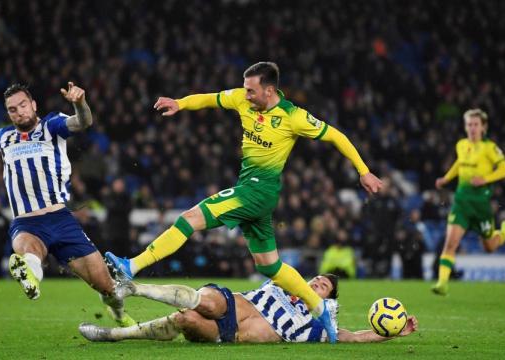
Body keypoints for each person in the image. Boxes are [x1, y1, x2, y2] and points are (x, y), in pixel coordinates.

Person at [106, 62, 383, 317]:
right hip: (254, 192)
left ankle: (131, 266)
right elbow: (210, 98)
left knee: (189, 218)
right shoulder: (241, 98)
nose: (246, 94)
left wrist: (363, 171)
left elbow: (337, 136)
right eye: (245, 88)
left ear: (270, 90)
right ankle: (320, 309)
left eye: (252, 90)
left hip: (259, 191)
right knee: (269, 267)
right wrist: (180, 103)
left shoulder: (293, 117)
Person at [0, 82, 133, 325]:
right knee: (29, 253)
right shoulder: (5, 137)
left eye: (23, 105)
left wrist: (80, 103)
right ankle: (30, 277)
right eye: (12, 109)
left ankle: (119, 314)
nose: (19, 112)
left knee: (106, 287)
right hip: (27, 223)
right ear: (8, 114)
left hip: (61, 219)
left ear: (33, 105)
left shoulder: (52, 126)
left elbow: (82, 122)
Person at [79, 274, 418, 344]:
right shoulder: (284, 282)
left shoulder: (318, 323)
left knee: (186, 320)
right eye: (314, 280)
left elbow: (351, 337)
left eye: (323, 285)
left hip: (232, 334)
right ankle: (134, 287)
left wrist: (390, 333)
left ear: (329, 297)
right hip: (231, 303)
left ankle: (116, 335)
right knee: (207, 300)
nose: (315, 284)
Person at [432, 109, 505, 295]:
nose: (472, 128)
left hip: (480, 203)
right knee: (450, 243)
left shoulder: (490, 148)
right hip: (461, 200)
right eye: (469, 124)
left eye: (476, 124)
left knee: (489, 247)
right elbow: (459, 163)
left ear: (483, 127)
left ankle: (504, 232)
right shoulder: (461, 144)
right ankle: (442, 283)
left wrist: (485, 179)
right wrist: (446, 178)